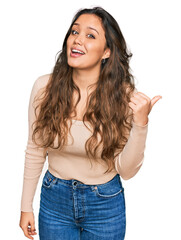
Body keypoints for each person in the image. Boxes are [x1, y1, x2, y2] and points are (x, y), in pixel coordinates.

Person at [19, 6, 162, 240]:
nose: (77, 40)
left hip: (105, 205)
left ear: (106, 52)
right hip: (54, 202)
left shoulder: (124, 97)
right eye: (74, 32)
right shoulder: (44, 88)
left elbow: (125, 170)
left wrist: (141, 123)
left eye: (90, 35)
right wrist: (26, 206)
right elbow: (35, 150)